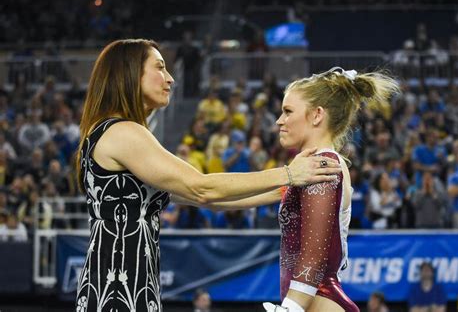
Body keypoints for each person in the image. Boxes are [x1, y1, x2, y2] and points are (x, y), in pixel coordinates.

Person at [74, 39, 341, 312]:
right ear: (129, 73)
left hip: (120, 283)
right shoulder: (123, 132)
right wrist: (287, 174)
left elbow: (206, 200)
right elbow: (201, 187)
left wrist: (284, 190)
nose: (170, 78)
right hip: (118, 290)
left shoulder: (111, 133)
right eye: (160, 67)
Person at [180, 67, 398, 311]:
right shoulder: (305, 171)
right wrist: (172, 192)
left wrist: (290, 309)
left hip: (318, 301)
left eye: (287, 111)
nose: (279, 121)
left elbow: (315, 256)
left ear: (317, 115)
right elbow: (218, 199)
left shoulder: (323, 165)